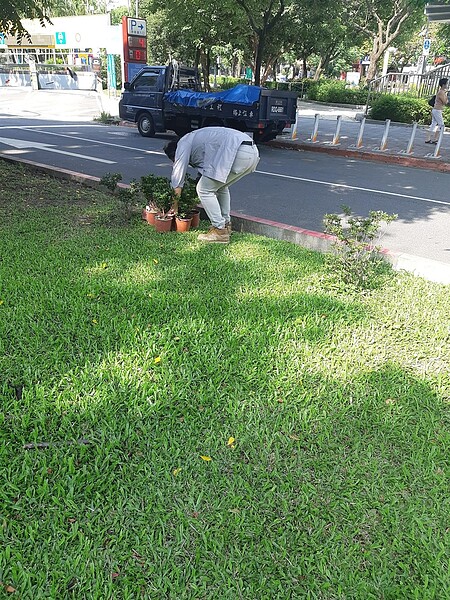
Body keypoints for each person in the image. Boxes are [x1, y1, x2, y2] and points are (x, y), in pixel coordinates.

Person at [163, 127, 260, 243]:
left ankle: (219, 230)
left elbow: (177, 179)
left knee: (203, 190)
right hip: (252, 151)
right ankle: (226, 224)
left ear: (174, 154)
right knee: (221, 187)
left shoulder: (183, 144)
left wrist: (174, 207)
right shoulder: (196, 140)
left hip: (237, 151)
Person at [425, 78, 448, 144]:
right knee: (442, 125)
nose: (448, 85)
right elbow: (445, 102)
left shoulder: (443, 92)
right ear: (443, 85)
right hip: (437, 110)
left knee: (433, 124)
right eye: (447, 83)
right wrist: (446, 97)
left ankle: (428, 139)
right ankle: (435, 139)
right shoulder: (441, 92)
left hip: (437, 110)